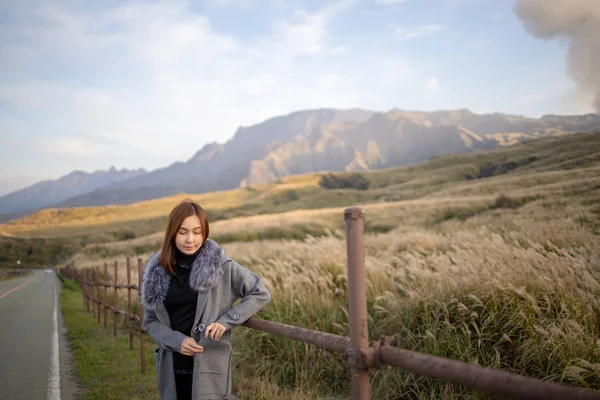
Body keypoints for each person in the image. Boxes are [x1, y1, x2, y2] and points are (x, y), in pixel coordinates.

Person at [140, 199, 271, 399]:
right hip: (172, 366)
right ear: (172, 232)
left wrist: (226, 321)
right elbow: (150, 321)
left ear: (205, 232)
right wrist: (177, 341)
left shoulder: (221, 265)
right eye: (183, 232)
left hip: (209, 366)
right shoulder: (157, 271)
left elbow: (260, 292)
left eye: (197, 231)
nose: (190, 239)